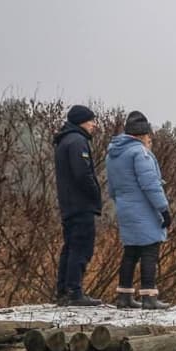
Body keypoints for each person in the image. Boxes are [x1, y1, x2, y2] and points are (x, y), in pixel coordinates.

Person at [105, 111, 171, 310]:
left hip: (125, 207)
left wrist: (123, 203)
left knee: (131, 251)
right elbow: (150, 184)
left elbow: (112, 188)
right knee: (150, 250)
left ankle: (124, 296)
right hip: (144, 209)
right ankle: (149, 297)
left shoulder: (113, 154)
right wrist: (164, 209)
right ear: (143, 134)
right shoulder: (140, 153)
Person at [53, 104, 102, 306]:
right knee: (81, 247)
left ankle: (64, 290)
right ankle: (74, 290)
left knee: (71, 246)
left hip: (68, 203)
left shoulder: (64, 140)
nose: (94, 124)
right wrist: (94, 194)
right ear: (82, 121)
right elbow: (83, 174)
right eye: (91, 120)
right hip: (80, 204)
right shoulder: (77, 141)